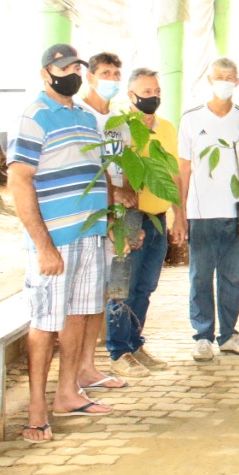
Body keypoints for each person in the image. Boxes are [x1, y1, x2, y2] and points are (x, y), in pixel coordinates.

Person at [11, 44, 114, 444]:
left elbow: (98, 170)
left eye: (76, 66)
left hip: (89, 235)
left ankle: (67, 393)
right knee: (45, 323)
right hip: (56, 239)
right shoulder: (34, 116)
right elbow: (19, 182)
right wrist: (44, 246)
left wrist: (109, 221)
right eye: (63, 67)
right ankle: (37, 410)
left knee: (78, 315)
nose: (70, 72)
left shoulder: (86, 117)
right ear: (45, 73)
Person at [177, 58, 239, 361]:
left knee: (231, 276)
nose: (224, 82)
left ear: (237, 82)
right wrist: (179, 213)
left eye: (229, 77)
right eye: (218, 77)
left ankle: (228, 335)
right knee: (200, 276)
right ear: (209, 81)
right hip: (200, 213)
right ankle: (202, 336)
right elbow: (183, 169)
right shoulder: (191, 119)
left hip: (235, 211)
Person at [107, 68, 184, 377]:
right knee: (122, 285)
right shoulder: (119, 128)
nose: (153, 96)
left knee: (145, 286)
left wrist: (180, 215)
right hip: (130, 215)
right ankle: (118, 351)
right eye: (147, 91)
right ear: (131, 95)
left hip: (157, 216)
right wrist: (116, 219)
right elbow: (111, 174)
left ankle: (135, 344)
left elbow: (173, 174)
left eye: (156, 91)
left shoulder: (166, 128)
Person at [77, 53, 136, 389]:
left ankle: (89, 366)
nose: (111, 79)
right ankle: (77, 370)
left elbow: (124, 164)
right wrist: (113, 200)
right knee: (84, 297)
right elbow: (92, 173)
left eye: (116, 73)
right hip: (93, 214)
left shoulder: (118, 121)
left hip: (117, 217)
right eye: (105, 73)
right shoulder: (80, 117)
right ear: (90, 77)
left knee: (102, 293)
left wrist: (127, 194)